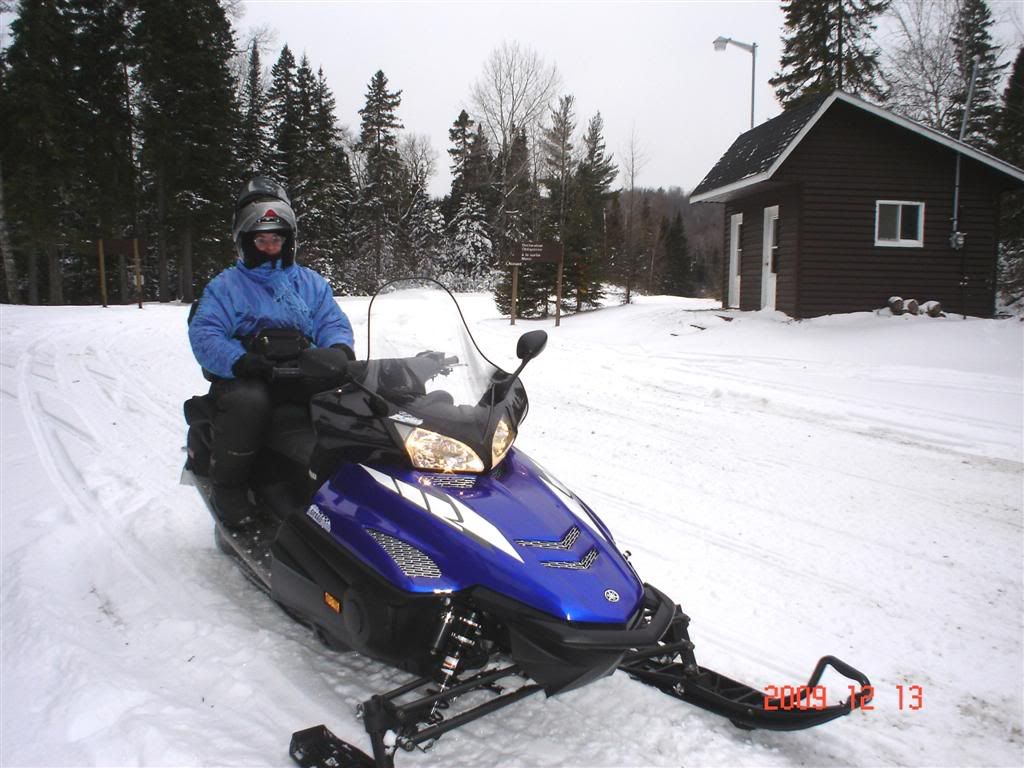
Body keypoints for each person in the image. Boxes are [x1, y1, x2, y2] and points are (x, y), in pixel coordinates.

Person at [189, 177, 354, 526]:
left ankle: (353, 487)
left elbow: (331, 321)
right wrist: (241, 360)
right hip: (248, 375)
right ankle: (228, 487)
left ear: (288, 240)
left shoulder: (309, 283)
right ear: (246, 241)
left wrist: (338, 350)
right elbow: (205, 333)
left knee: (355, 396)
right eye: (261, 240)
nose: (269, 246)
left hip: (300, 370)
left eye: (275, 239)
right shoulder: (226, 286)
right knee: (250, 402)